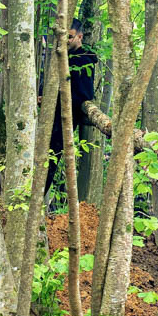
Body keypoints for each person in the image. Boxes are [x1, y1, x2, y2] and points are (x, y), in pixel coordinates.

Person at [44, 20, 100, 193]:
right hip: (50, 113)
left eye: (69, 37)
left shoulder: (85, 59)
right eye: (63, 37)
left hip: (65, 115)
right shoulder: (60, 56)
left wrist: (55, 98)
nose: (66, 41)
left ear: (79, 37)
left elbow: (84, 94)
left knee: (50, 158)